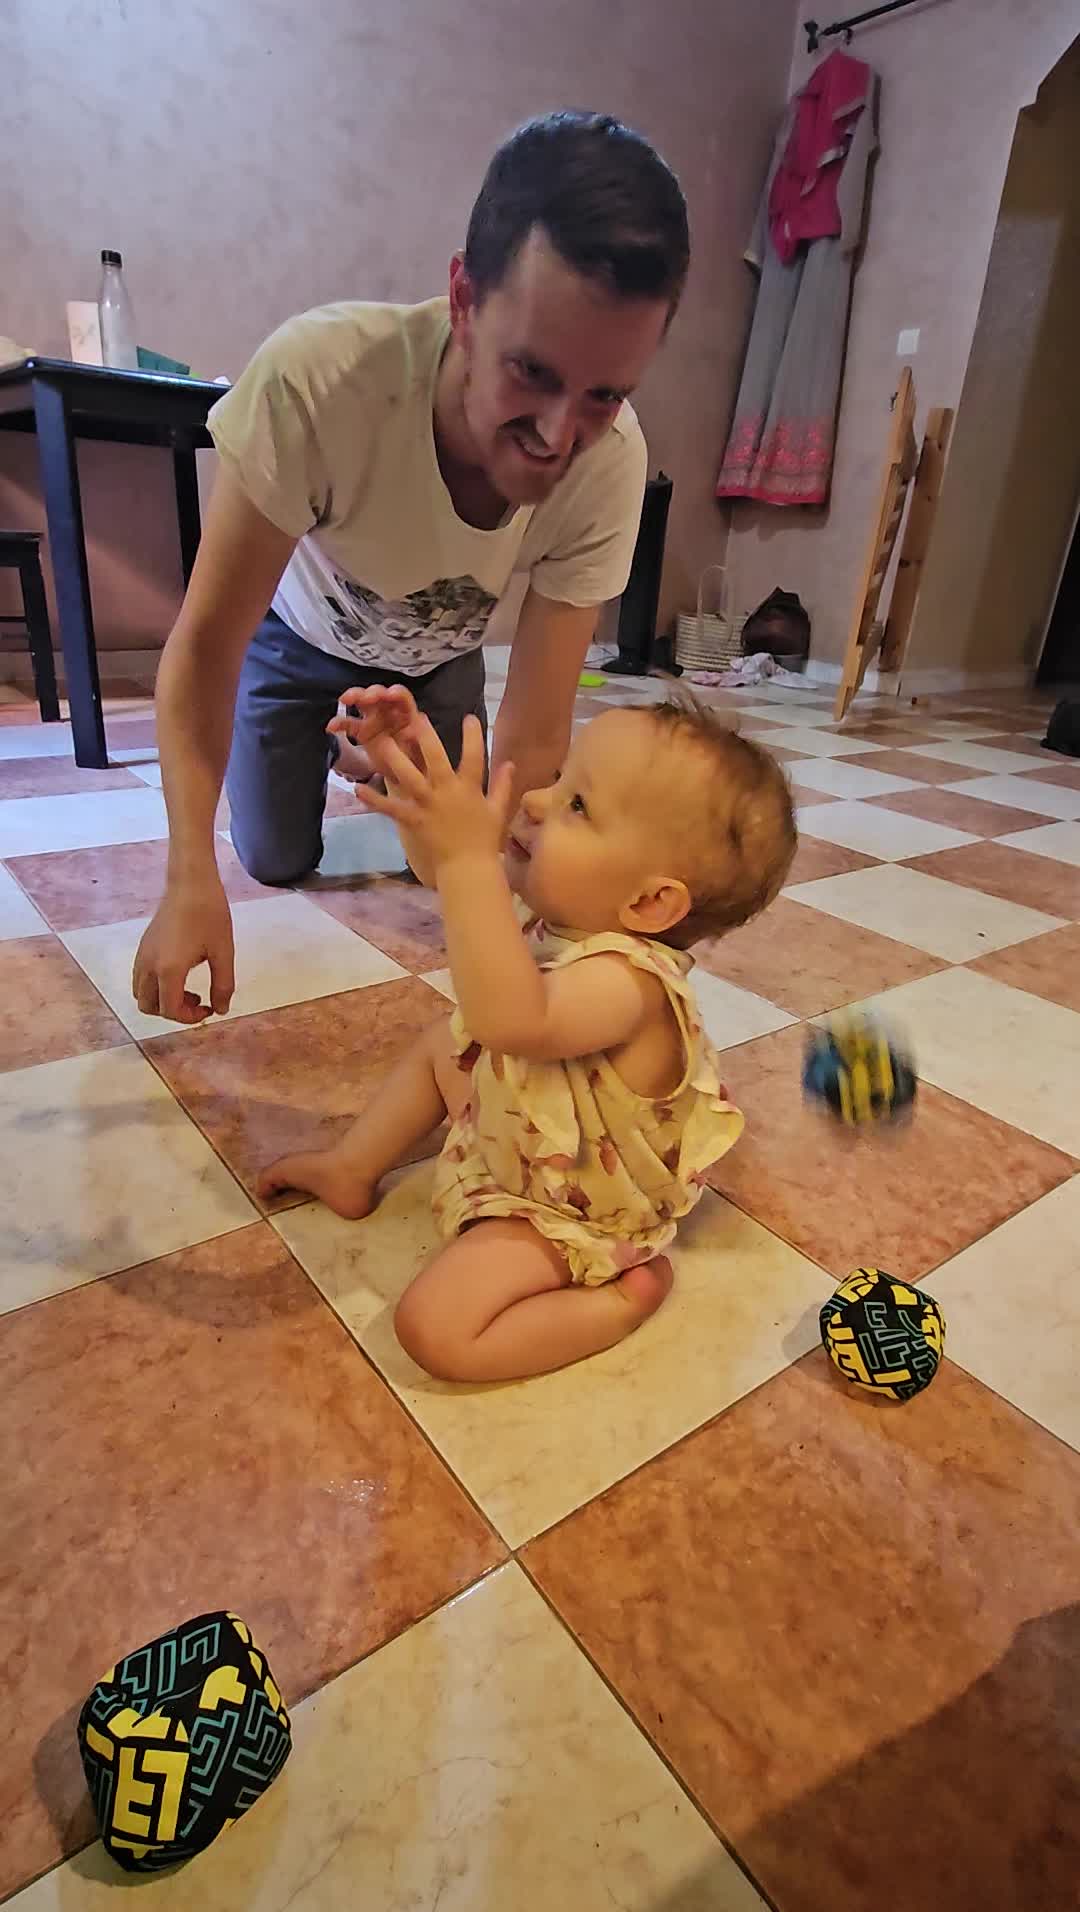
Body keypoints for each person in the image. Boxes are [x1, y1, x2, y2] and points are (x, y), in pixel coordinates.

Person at [132, 111, 690, 1026]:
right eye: (531, 372)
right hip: (297, 641)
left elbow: (537, 724)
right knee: (273, 858)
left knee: (445, 863)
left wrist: (513, 926)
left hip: (438, 663)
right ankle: (335, 742)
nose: (560, 436)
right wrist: (188, 874)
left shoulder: (613, 461)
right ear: (463, 302)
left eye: (605, 393)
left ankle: (380, 747)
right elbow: (204, 647)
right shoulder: (316, 379)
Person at [258, 688, 797, 1383]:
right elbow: (442, 873)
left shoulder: (629, 983)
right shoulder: (572, 917)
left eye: (578, 805)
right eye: (561, 778)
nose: (537, 800)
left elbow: (510, 1020)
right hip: (523, 1132)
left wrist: (470, 861)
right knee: (442, 1044)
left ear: (648, 902)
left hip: (571, 1204)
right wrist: (408, 776)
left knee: (435, 1331)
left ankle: (618, 1305)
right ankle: (352, 1167)